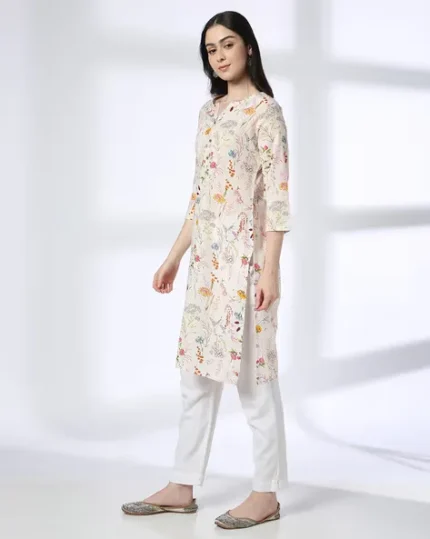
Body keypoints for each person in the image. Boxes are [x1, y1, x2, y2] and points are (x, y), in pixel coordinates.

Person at [121, 10, 290, 530]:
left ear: (249, 48)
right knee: (195, 379)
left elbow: (278, 199)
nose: (219, 56)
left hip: (246, 267)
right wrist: (174, 258)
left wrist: (270, 271)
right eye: (211, 48)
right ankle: (181, 485)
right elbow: (200, 197)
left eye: (227, 44)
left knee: (254, 383)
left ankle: (266, 494)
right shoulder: (209, 113)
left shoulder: (266, 112)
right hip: (205, 268)